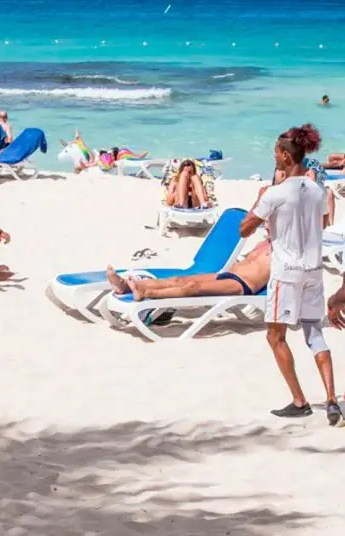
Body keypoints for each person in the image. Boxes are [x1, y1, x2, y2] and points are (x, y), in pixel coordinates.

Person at [239, 123, 340, 425]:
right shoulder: (317, 190)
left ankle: (300, 401)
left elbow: (244, 229)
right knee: (315, 334)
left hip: (286, 274)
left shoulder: (275, 193)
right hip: (314, 271)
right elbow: (323, 223)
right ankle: (332, 400)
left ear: (285, 155)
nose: (274, 157)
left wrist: (260, 201)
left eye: (275, 153)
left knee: (275, 336)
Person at [107, 239, 271, 301]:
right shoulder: (261, 244)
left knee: (192, 287)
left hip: (242, 285)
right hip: (227, 275)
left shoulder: (281, 250)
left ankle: (147, 293)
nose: (265, 225)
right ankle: (126, 286)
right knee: (177, 280)